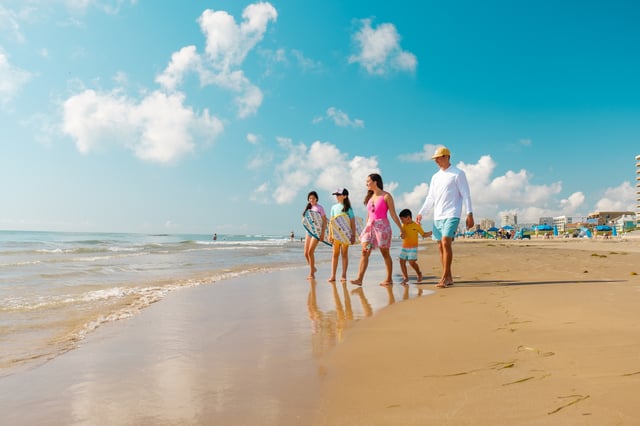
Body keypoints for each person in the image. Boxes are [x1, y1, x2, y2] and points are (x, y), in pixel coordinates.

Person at [416, 146, 474, 289]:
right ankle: (448, 276)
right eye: (435, 159)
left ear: (447, 157)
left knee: (445, 241)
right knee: (440, 246)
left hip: (452, 213)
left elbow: (466, 194)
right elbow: (431, 197)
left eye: (438, 158)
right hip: (438, 216)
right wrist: (422, 212)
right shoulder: (435, 177)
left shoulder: (458, 174)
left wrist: (469, 213)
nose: (436, 161)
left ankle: (444, 277)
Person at [350, 173, 404, 287]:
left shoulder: (386, 196)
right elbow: (369, 215)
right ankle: (359, 279)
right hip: (370, 229)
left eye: (368, 181)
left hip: (382, 228)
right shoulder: (370, 197)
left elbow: (393, 214)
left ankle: (389, 279)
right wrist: (366, 228)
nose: (366, 183)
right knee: (365, 251)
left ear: (375, 182)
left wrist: (401, 228)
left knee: (385, 253)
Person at [328, 188, 356, 283]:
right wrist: (330, 234)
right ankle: (333, 275)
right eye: (336, 195)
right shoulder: (333, 207)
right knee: (335, 254)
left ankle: (343, 275)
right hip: (336, 234)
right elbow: (331, 222)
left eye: (338, 195)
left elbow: (352, 222)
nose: (337, 197)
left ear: (345, 196)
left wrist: (353, 235)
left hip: (345, 234)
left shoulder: (348, 208)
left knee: (344, 254)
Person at [398, 208, 432, 284]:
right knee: (401, 261)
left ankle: (419, 273)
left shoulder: (416, 225)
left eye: (402, 219)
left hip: (413, 247)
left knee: (411, 262)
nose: (401, 221)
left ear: (408, 218)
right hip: (405, 247)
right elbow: (402, 234)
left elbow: (423, 234)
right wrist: (402, 235)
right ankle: (405, 277)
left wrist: (430, 233)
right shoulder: (403, 225)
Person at [302, 191, 327, 279]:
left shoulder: (320, 208)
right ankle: (313, 268)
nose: (311, 200)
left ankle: (311, 273)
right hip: (309, 232)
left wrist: (322, 234)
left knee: (310, 252)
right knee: (305, 253)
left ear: (316, 198)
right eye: (310, 198)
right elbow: (305, 220)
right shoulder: (309, 208)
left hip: (317, 232)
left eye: (313, 198)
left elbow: (324, 221)